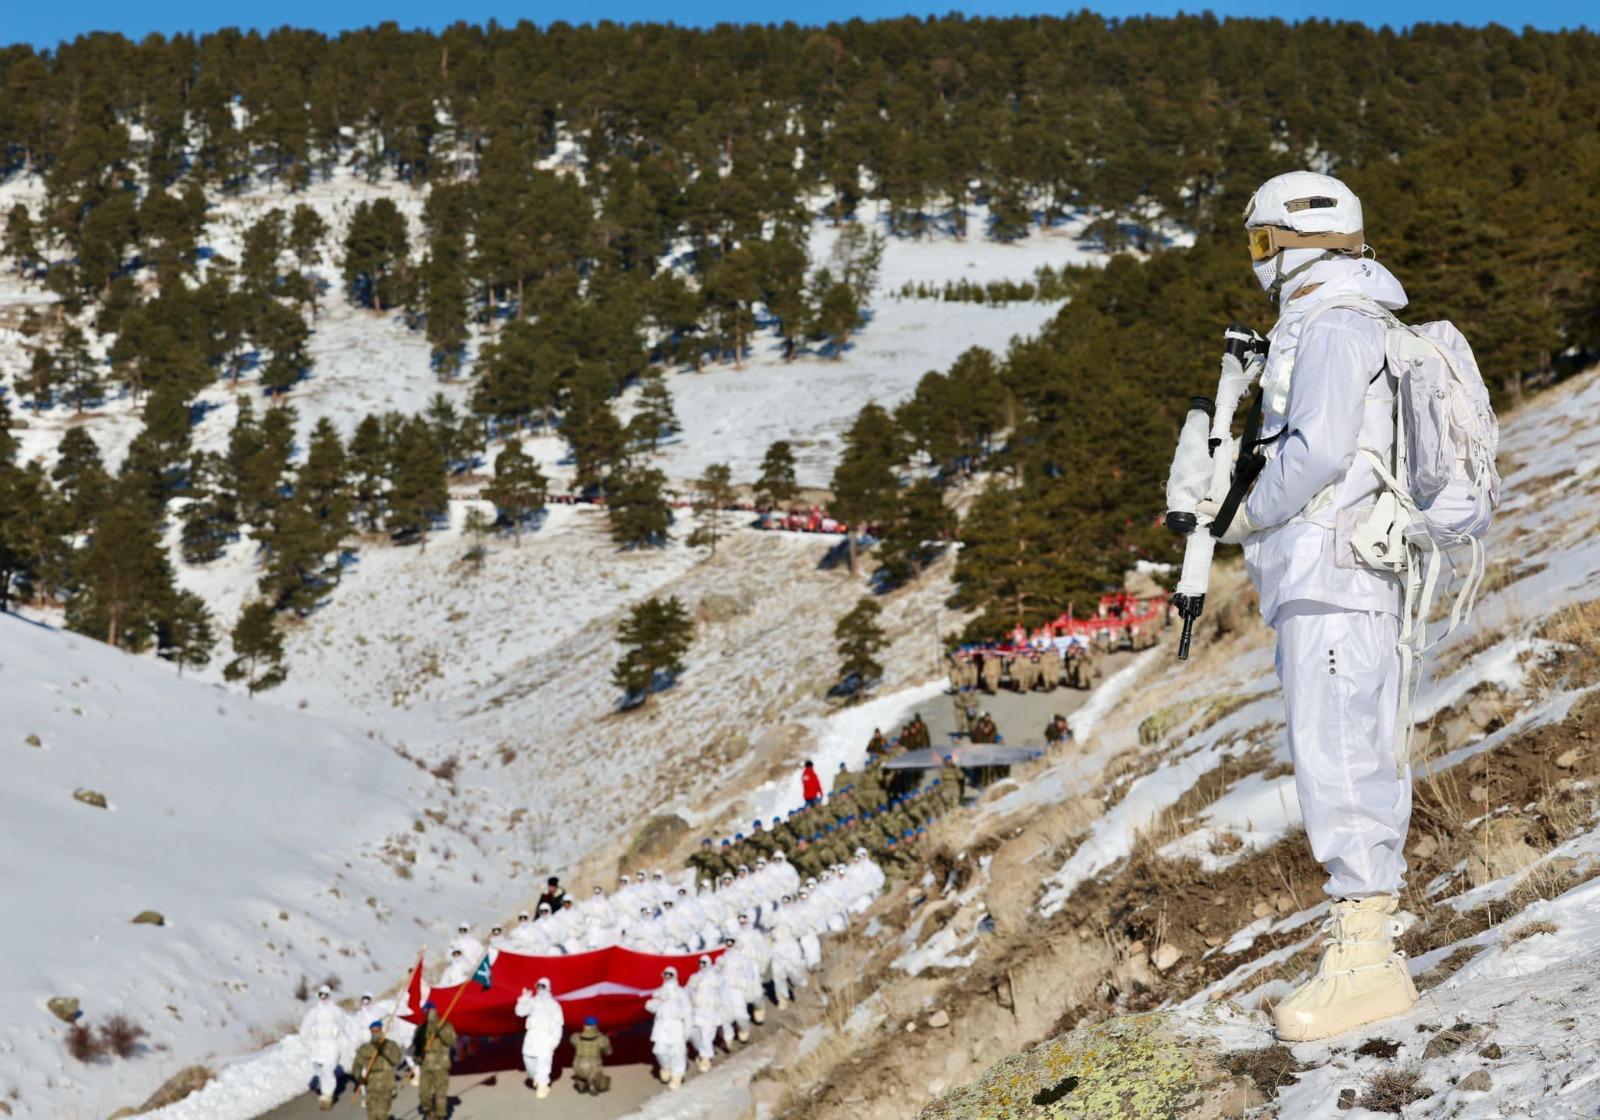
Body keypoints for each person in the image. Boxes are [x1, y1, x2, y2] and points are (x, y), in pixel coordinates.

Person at [1228, 171, 1417, 1043]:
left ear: (1292, 243)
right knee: (1346, 747)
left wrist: (1244, 513)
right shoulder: (1344, 318)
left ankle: (1368, 963)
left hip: (1333, 572)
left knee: (1338, 753)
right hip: (1336, 572)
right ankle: (1364, 949)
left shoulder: (1336, 324)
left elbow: (1320, 450)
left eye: (1261, 243)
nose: (1258, 263)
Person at [514, 978, 564, 1099]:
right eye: (538, 986)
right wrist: (523, 1000)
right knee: (528, 1059)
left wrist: (554, 1041)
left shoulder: (554, 1005)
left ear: (548, 987)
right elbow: (520, 1012)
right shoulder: (532, 1002)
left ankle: (543, 1085)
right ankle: (536, 1078)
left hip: (545, 1037)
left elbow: (558, 1024)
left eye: (543, 986)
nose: (540, 989)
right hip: (531, 1035)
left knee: (543, 1062)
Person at [300, 984, 345, 1110]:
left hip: (331, 1045)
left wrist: (340, 1038)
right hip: (318, 1045)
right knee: (318, 1068)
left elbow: (344, 1025)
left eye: (326, 995)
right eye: (321, 995)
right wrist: (305, 1039)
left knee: (328, 1069)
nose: (323, 997)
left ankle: (327, 1095)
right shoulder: (314, 1012)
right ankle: (324, 1087)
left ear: (329, 996)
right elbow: (306, 1025)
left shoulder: (336, 1011)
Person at [645, 966, 690, 1089]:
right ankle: (666, 1066)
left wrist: (687, 1027)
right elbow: (650, 1007)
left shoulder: (681, 992)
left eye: (670, 974)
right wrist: (658, 1001)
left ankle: (677, 1075)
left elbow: (688, 1010)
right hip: (662, 1025)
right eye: (666, 974)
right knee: (659, 1050)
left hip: (676, 1025)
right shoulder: (659, 992)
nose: (668, 976)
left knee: (678, 1052)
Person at [351, 1021, 404, 1120]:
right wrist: (359, 1078)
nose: (375, 1033)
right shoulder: (365, 1048)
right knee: (372, 1115)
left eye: (377, 1031)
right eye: (373, 1031)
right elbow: (356, 1066)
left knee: (381, 1114)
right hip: (371, 1085)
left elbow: (397, 1060)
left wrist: (383, 1051)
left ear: (381, 1030)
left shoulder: (391, 1045)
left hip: (387, 1084)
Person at [412, 1002, 456, 1120]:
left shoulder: (445, 1025)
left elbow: (451, 1041)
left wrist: (439, 1030)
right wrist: (416, 1056)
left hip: (441, 1064)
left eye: (429, 1011)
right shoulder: (421, 1028)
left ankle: (440, 1116)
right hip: (426, 1065)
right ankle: (429, 1113)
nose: (427, 1013)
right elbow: (416, 1045)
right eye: (426, 1011)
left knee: (440, 1094)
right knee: (424, 1094)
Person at [569, 1017, 613, 1095]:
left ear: (584, 1025)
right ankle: (593, 1083)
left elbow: (572, 1041)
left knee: (581, 1074)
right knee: (605, 1083)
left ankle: (581, 1082)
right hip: (593, 1066)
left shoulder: (576, 1036)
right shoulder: (601, 1038)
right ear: (596, 1026)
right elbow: (609, 1052)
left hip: (577, 1065)